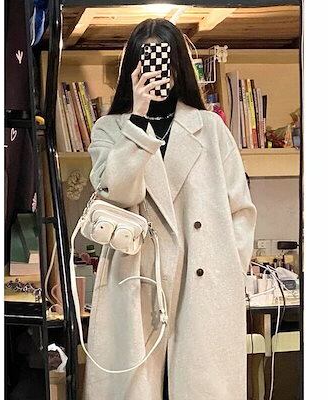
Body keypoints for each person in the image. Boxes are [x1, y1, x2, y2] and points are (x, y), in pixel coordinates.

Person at [83, 18, 257, 400]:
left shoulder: (210, 128)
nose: (156, 72)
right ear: (132, 69)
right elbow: (119, 195)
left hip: (203, 283)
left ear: (178, 65)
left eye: (164, 60)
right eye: (145, 61)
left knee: (199, 386)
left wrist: (227, 269)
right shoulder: (110, 129)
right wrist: (138, 118)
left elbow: (241, 210)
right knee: (137, 387)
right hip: (137, 281)